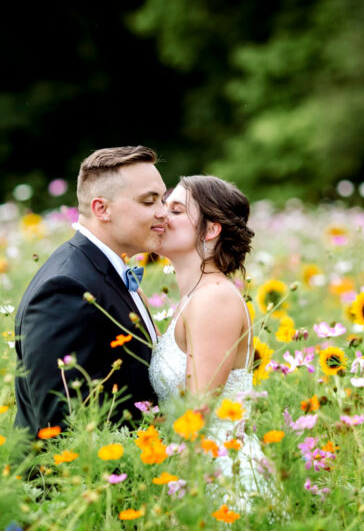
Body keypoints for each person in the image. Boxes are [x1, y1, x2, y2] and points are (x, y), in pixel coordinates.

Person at [14, 145, 167, 443]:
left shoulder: (105, 269)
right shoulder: (67, 288)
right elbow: (64, 423)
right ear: (102, 209)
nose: (162, 211)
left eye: (163, 199)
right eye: (149, 201)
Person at [149, 174, 274, 510]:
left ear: (210, 230)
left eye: (176, 209)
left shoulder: (214, 300)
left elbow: (197, 412)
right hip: (202, 468)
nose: (161, 215)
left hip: (219, 477)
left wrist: (173, 499)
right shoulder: (196, 298)